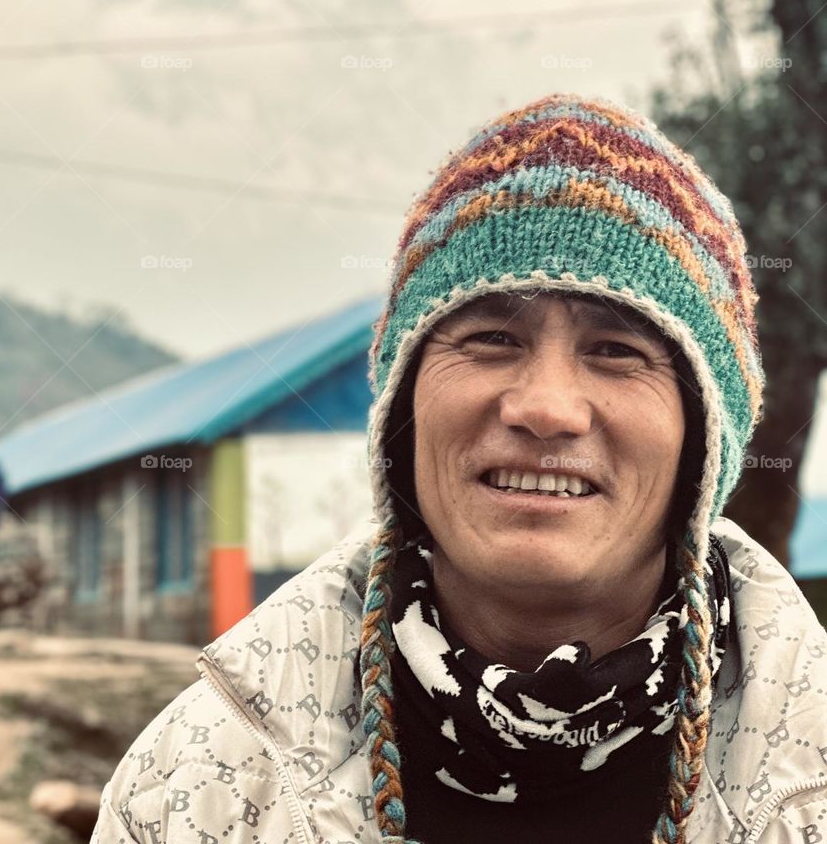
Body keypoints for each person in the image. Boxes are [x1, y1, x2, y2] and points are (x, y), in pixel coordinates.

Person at [91, 93, 827, 844]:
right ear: (403, 411)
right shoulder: (196, 782)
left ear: (703, 438)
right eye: (491, 338)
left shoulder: (810, 781)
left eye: (616, 350)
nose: (545, 407)